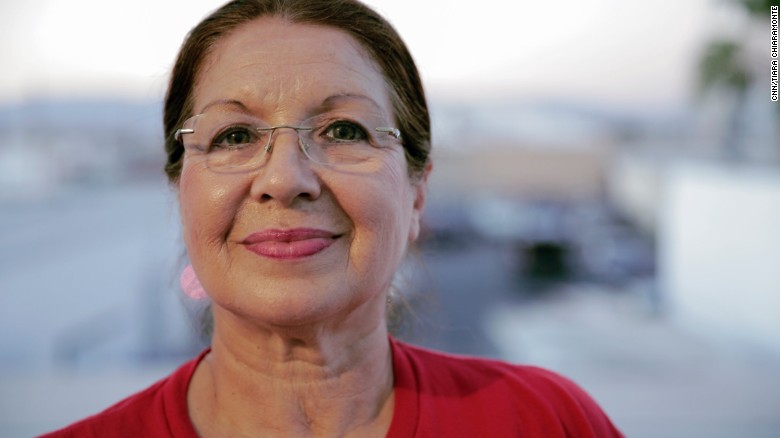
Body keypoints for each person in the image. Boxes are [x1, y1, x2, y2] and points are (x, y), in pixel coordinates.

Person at [42, 0, 623, 436]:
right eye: (235, 135)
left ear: (417, 191)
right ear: (180, 190)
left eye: (344, 131)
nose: (284, 179)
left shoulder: (547, 420)